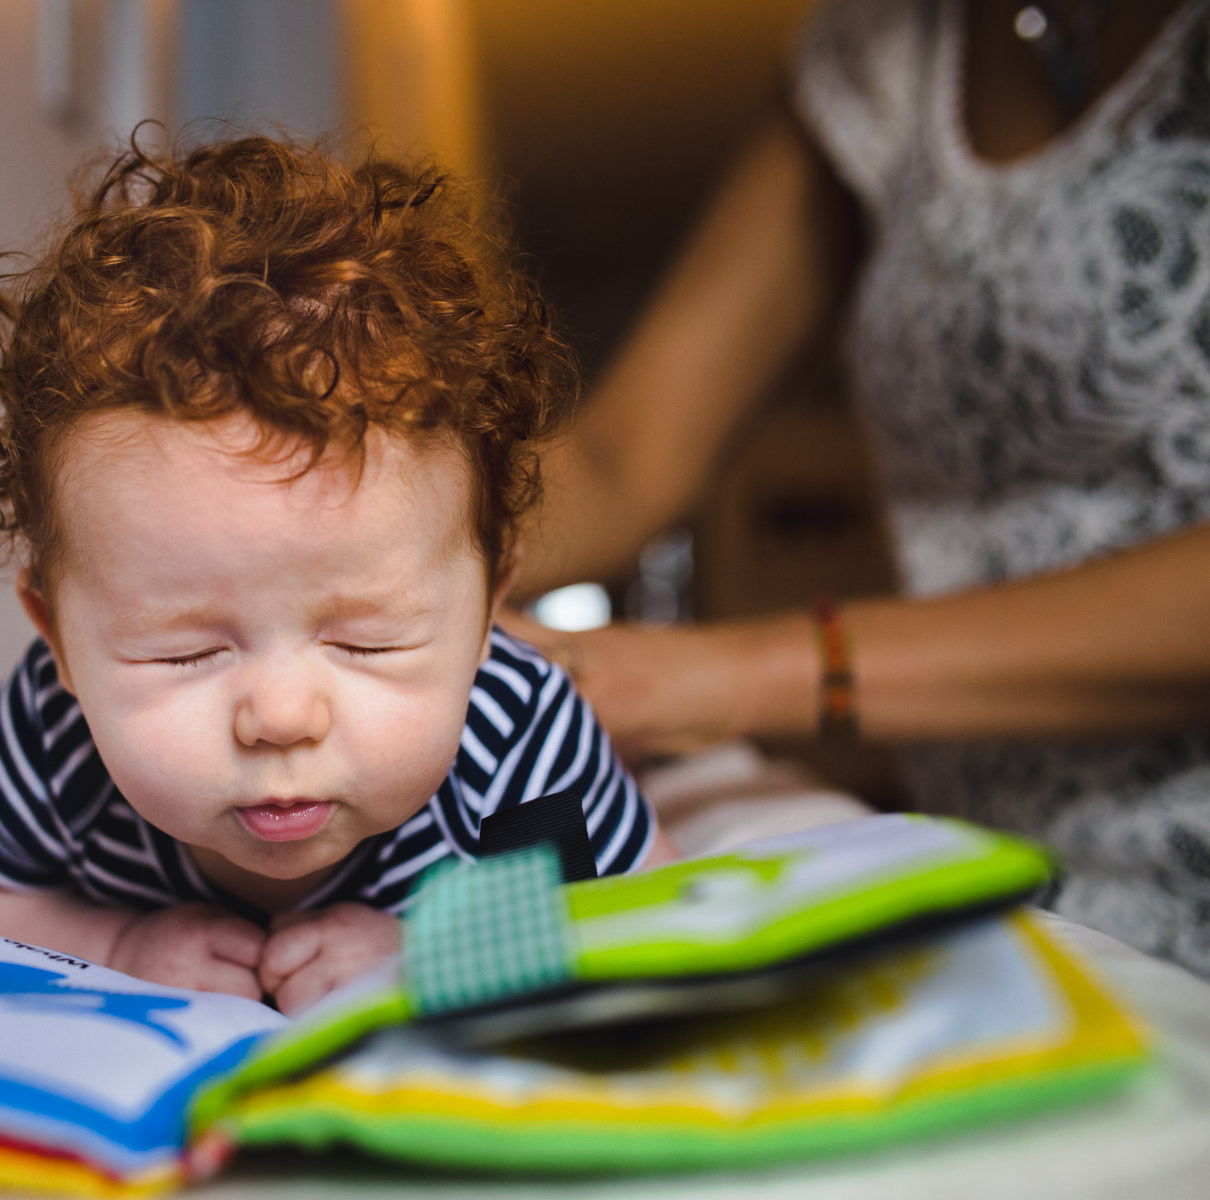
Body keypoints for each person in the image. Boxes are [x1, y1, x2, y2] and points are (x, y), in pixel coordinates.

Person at [506, 0, 1210, 974]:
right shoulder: (880, 43)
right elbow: (619, 459)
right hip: (995, 838)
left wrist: (717, 675)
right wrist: (359, 526)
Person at [0, 135, 671, 1016]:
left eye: (365, 639)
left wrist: (433, 953)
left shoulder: (520, 740)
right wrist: (113, 944)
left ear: (490, 606)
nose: (279, 719)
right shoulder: (50, 737)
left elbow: (650, 917)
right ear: (60, 641)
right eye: (183, 652)